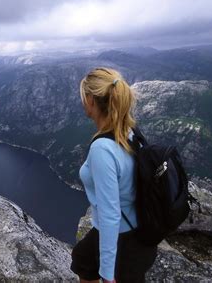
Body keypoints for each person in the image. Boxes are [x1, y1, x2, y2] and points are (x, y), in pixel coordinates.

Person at [71, 68, 157, 283]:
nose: (82, 101)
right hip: (138, 228)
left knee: (88, 262)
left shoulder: (102, 149)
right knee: (82, 258)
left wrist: (108, 275)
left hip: (124, 238)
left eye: (84, 96)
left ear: (91, 100)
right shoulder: (130, 132)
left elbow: (110, 215)